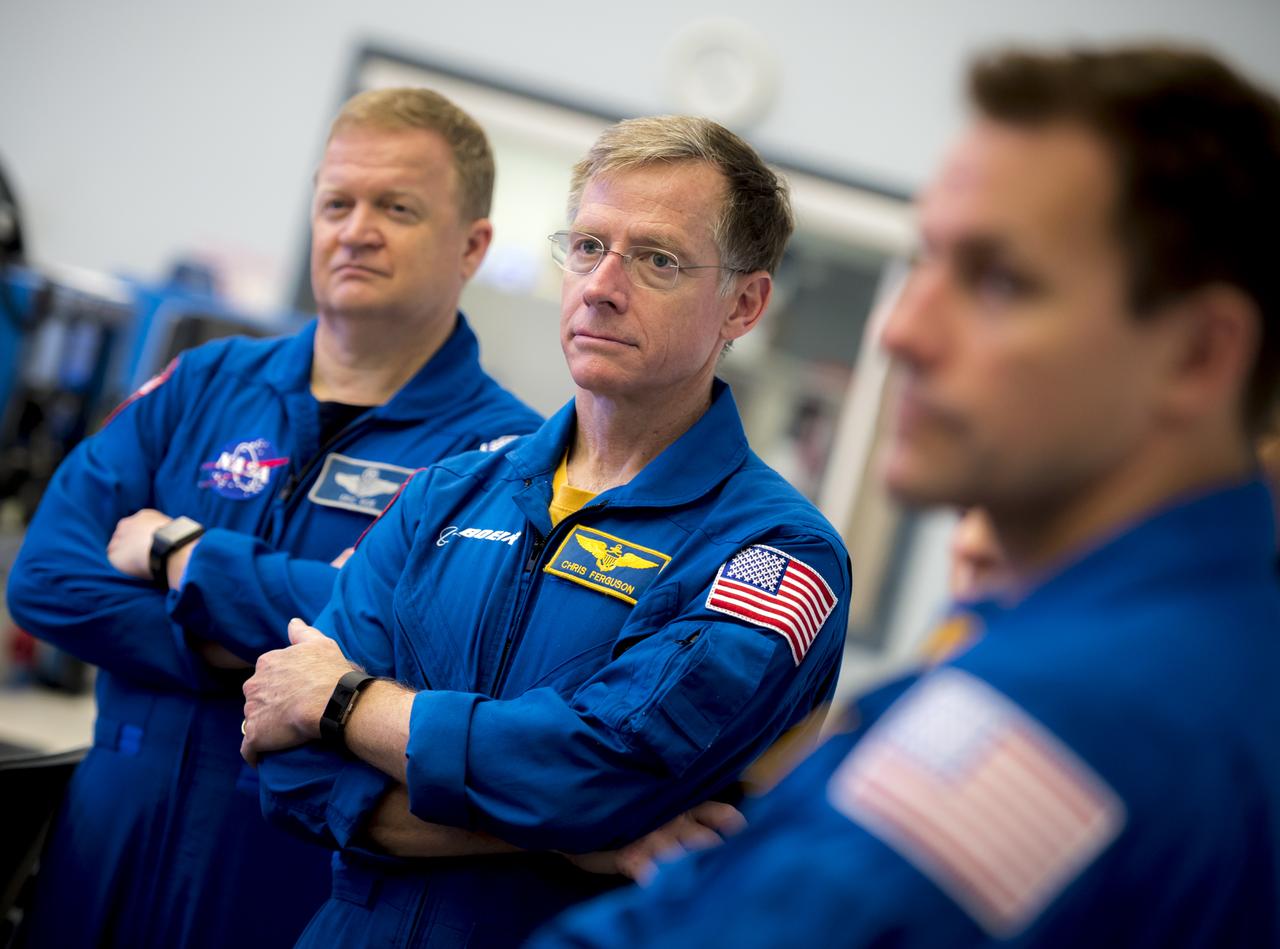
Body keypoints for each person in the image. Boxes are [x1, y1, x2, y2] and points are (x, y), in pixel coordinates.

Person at [530, 44, 1280, 948]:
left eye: (999, 281)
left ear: (1197, 356)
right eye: (928, 263)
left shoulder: (1082, 709)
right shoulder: (1190, 647)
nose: (905, 329)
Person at [238, 115, 852, 947]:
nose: (601, 284)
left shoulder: (776, 554)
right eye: (590, 245)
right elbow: (290, 771)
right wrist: (583, 842)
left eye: (657, 259)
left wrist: (344, 700)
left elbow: (591, 773)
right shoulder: (451, 492)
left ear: (743, 303)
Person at [6, 87, 542, 948]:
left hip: (289, 876)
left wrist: (185, 557)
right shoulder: (204, 383)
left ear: (472, 245)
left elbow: (417, 653)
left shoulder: (501, 459)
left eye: (397, 207)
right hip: (100, 853)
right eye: (338, 202)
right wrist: (270, 661)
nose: (356, 228)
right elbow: (48, 576)